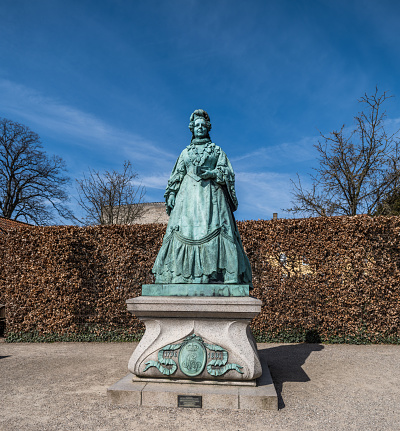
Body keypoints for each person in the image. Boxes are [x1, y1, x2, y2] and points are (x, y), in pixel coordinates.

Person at [152, 109, 252, 286]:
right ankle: (180, 276)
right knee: (183, 233)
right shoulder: (185, 153)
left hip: (212, 200)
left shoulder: (216, 150)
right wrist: (172, 194)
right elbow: (176, 175)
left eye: (203, 125)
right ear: (192, 128)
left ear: (208, 128)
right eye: (196, 125)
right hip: (187, 201)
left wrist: (212, 173)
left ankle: (217, 274)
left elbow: (228, 172)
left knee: (215, 231)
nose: (199, 128)